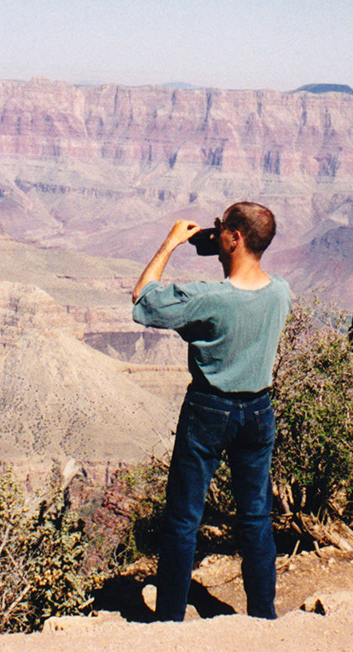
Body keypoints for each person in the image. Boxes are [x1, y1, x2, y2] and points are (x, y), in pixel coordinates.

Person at [131, 201, 292, 621]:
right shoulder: (282, 292)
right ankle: (263, 616)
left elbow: (143, 302)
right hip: (259, 411)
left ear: (236, 238)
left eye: (222, 228)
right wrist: (216, 248)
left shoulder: (209, 299)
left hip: (209, 410)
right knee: (255, 518)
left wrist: (170, 244)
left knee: (185, 518)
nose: (216, 231)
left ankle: (168, 620)